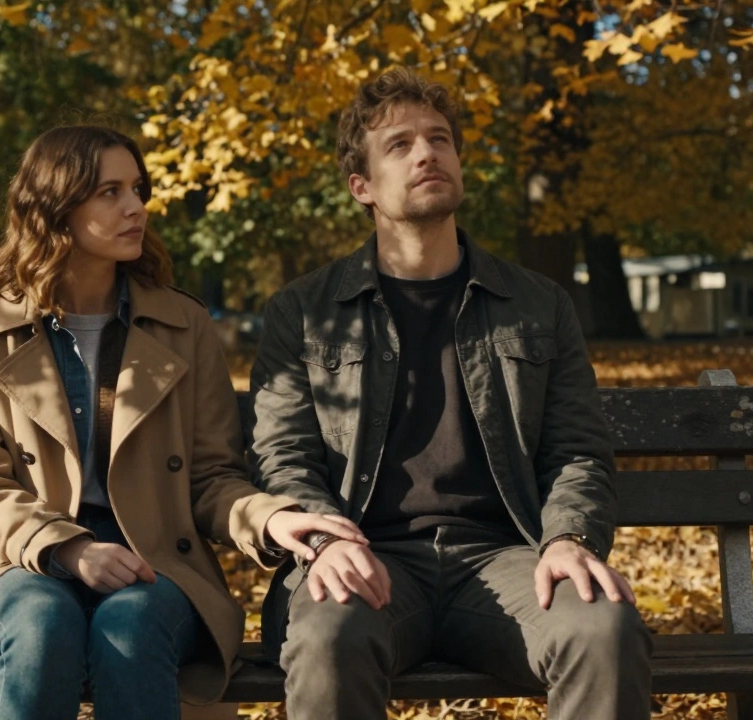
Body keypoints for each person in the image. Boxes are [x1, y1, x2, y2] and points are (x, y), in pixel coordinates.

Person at [0, 125, 364, 720]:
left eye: (136, 188)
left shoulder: (184, 325)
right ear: (55, 206)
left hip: (157, 562)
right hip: (21, 561)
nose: (135, 206)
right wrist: (71, 549)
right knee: (41, 623)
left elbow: (213, 476)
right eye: (109, 192)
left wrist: (272, 516)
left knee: (131, 624)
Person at [249, 68, 653, 720]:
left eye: (439, 138)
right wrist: (329, 543)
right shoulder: (304, 311)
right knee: (327, 638)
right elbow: (281, 452)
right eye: (400, 145)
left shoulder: (538, 304)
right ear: (362, 187)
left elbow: (577, 450)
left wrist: (569, 538)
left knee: (603, 630)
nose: (427, 153)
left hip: (505, 558)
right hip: (365, 556)